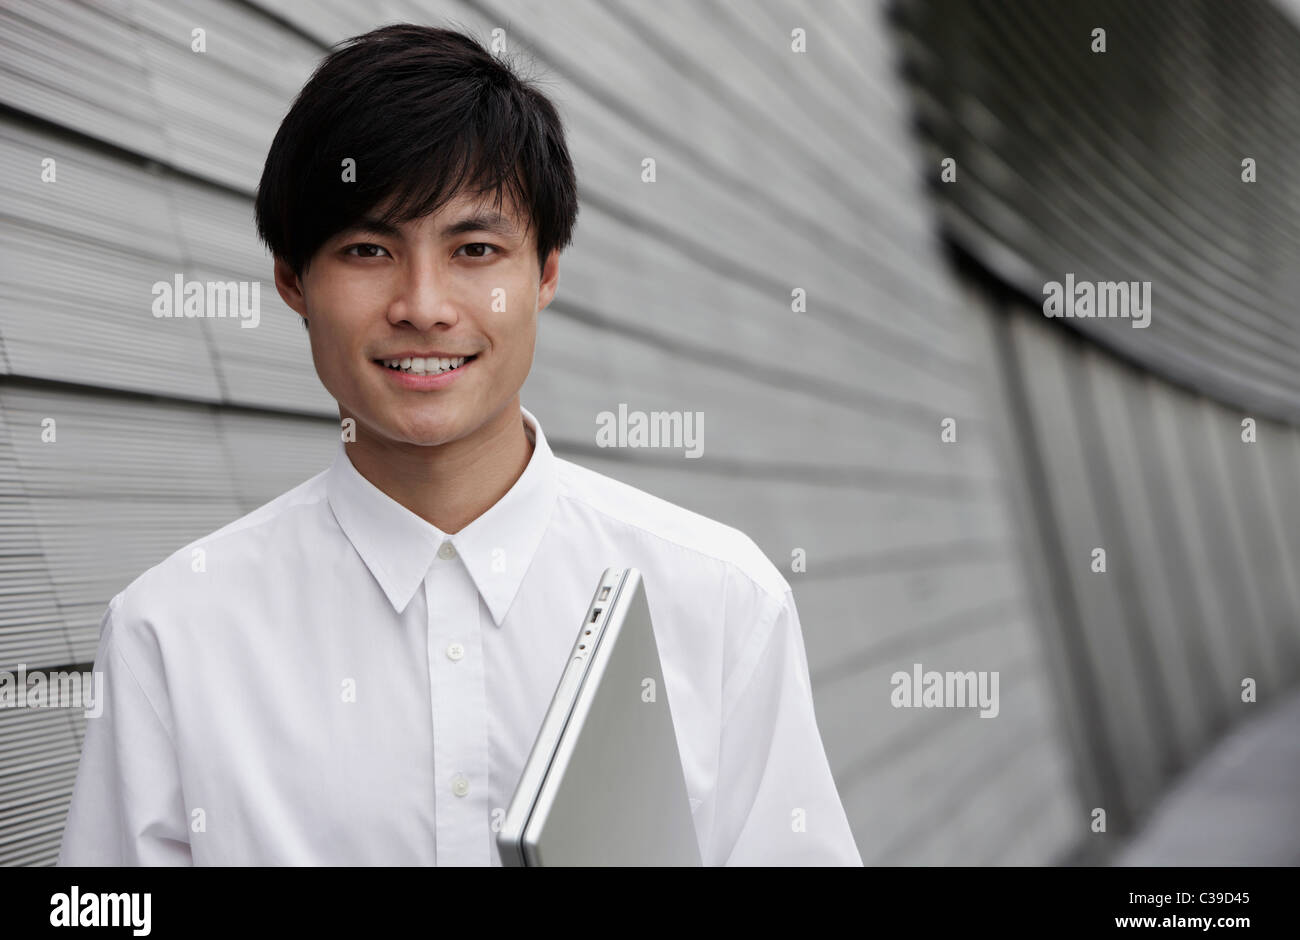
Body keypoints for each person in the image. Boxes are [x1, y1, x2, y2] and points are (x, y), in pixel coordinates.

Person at [57, 23, 861, 866]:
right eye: (368, 250)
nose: (424, 304)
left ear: (546, 271)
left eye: (476, 249)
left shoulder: (719, 601)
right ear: (292, 281)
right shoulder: (172, 632)